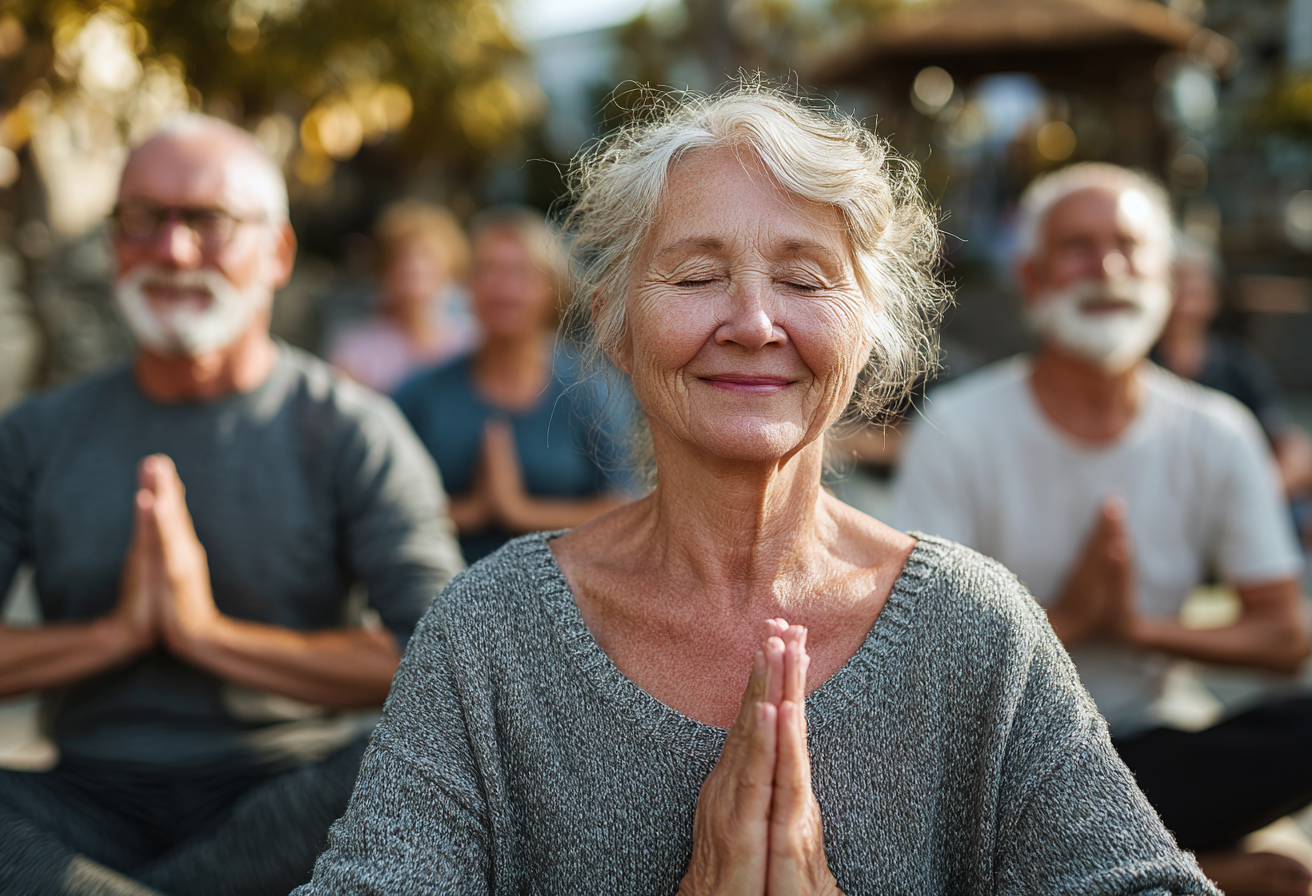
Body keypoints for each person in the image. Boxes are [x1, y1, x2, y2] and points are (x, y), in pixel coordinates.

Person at [298, 86, 1214, 895]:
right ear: (615, 324)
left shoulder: (976, 630)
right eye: (697, 276)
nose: (752, 321)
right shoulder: (487, 636)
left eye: (804, 279)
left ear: (871, 330)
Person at [0, 114, 464, 896]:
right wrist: (117, 634)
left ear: (278, 252)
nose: (172, 250)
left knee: (428, 767)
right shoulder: (35, 435)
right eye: (143, 218)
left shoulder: (352, 430)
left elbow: (442, 656)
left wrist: (206, 635)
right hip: (84, 796)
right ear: (115, 243)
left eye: (207, 221)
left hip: (291, 796)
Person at [894, 163, 1312, 896]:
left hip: (1148, 750)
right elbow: (919, 665)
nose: (1108, 267)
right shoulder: (957, 429)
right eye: (1078, 247)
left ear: (1166, 275)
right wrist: (1070, 622)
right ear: (1031, 278)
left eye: (1128, 246)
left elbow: (1284, 639)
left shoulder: (1216, 431)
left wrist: (1135, 629)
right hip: (999, 763)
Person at [393, 206, 632, 564]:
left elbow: (628, 511)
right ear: (467, 287)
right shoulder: (420, 393)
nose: (503, 289)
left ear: (551, 290)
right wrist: (471, 510)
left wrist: (519, 512)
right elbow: (385, 510)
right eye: (489, 271)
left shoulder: (591, 391)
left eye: (520, 274)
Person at [1155, 236, 1312, 539]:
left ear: (1214, 294)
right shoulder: (1137, 364)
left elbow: (1289, 444)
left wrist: (1257, 494)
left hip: (1235, 501)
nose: (1186, 291)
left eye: (1195, 281)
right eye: (1177, 279)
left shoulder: (1237, 364)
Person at [326, 200, 476, 393]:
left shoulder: (470, 344)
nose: (414, 268)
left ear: (449, 268)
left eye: (427, 257)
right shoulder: (355, 350)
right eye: (402, 259)